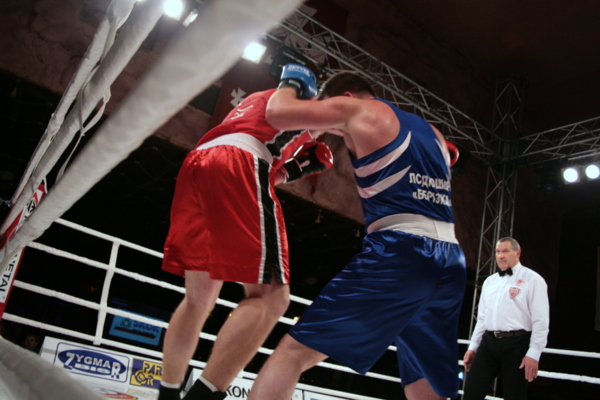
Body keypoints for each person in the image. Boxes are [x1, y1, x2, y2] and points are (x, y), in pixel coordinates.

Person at [247, 70, 467, 400]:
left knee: (292, 354)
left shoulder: (359, 110)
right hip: (450, 259)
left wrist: (292, 79)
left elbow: (278, 113)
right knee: (426, 385)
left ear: (346, 98)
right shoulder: (433, 133)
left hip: (401, 253)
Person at [158, 64, 333, 400]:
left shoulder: (255, 102)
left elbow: (269, 174)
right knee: (271, 297)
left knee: (197, 300)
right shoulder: (306, 106)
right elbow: (349, 122)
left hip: (198, 163)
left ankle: (167, 395)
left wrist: (296, 168)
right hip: (238, 162)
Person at [462, 237, 549, 400]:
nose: (501, 256)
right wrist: (473, 347)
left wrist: (534, 352)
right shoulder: (490, 281)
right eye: (498, 252)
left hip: (517, 344)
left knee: (514, 395)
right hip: (488, 342)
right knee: (471, 391)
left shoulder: (533, 280)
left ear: (518, 253)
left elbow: (541, 320)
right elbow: (482, 319)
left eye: (505, 251)